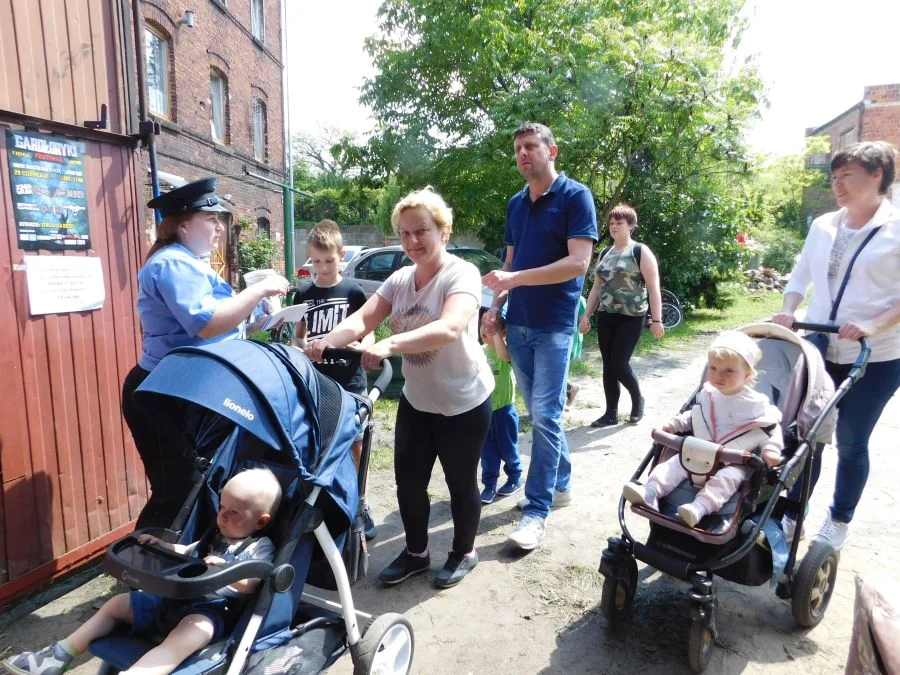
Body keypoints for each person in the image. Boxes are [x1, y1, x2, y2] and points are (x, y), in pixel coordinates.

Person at [305, 188, 493, 589]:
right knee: (408, 482)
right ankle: (417, 553)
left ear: (443, 230)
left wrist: (388, 345)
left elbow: (450, 327)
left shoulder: (462, 274)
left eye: (421, 231)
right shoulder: (400, 279)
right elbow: (362, 318)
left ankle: (464, 551)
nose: (412, 242)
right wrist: (327, 341)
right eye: (404, 233)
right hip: (418, 401)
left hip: (464, 400)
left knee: (461, 482)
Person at [122, 178, 290, 529]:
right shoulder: (172, 263)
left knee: (197, 481)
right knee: (178, 487)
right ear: (183, 224)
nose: (219, 226)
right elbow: (206, 324)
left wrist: (264, 313)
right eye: (210, 218)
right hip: (162, 393)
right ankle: (147, 565)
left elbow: (225, 328)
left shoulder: (192, 263)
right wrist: (258, 289)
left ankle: (176, 561)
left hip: (189, 389)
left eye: (220, 218)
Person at [3, 468, 282, 675]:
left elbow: (254, 583)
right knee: (116, 604)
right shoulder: (214, 534)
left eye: (234, 512)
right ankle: (56, 656)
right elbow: (187, 554)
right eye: (221, 506)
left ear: (260, 522)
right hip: (172, 600)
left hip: (210, 611)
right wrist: (162, 546)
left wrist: (229, 570)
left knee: (188, 633)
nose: (222, 515)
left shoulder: (260, 547)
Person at [772, 141, 900, 550]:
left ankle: (839, 520)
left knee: (850, 438)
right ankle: (793, 513)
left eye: (847, 175)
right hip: (820, 346)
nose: (837, 184)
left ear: (877, 175)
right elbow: (801, 274)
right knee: (805, 432)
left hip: (876, 356)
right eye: (834, 176)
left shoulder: (896, 228)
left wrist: (873, 325)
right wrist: (789, 308)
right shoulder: (824, 224)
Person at [482, 122, 597, 551]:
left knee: (545, 416)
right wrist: (495, 307)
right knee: (539, 411)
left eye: (531, 146)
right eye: (518, 148)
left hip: (553, 324)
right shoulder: (516, 204)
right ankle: (561, 482)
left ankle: (536, 510)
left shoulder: (575, 196)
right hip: (520, 321)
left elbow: (578, 263)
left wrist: (516, 278)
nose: (523, 154)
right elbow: (509, 260)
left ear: (553, 151)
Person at [622, 332, 783, 526]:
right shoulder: (708, 394)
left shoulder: (756, 404)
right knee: (671, 465)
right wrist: (675, 424)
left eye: (729, 371)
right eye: (713, 368)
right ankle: (650, 492)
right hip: (698, 454)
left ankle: (697, 509)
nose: (718, 375)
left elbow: (770, 428)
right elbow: (695, 416)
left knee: (726, 480)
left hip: (733, 462)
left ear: (747, 375)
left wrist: (771, 449)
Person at [292, 220, 377, 540]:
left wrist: (362, 349)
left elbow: (369, 336)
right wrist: (302, 350)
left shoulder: (353, 291)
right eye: (316, 261)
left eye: (329, 260)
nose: (323, 268)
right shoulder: (304, 293)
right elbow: (298, 338)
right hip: (319, 383)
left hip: (351, 382)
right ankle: (325, 502)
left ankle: (359, 502)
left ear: (341, 256)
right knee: (321, 444)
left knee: (356, 443)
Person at [580, 204, 664, 428]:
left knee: (619, 364)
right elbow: (596, 287)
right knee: (608, 366)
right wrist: (586, 315)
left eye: (619, 223)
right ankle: (610, 413)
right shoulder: (606, 253)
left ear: (631, 226)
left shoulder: (640, 251)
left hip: (632, 316)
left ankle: (638, 400)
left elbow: (654, 287)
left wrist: (657, 320)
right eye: (611, 223)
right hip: (607, 315)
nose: (614, 226)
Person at [478, 310, 523, 505]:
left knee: (508, 449)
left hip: (504, 412)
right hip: (484, 411)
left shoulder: (504, 352)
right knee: (487, 452)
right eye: (484, 325)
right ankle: (489, 485)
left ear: (503, 333)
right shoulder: (478, 351)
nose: (485, 330)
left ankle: (514, 478)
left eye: (493, 328)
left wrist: (496, 334)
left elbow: (504, 355)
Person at [565, 295, 587, 409]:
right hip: (563, 339)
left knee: (556, 370)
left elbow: (582, 323)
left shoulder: (580, 300)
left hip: (570, 341)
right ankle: (571, 388)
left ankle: (571, 388)